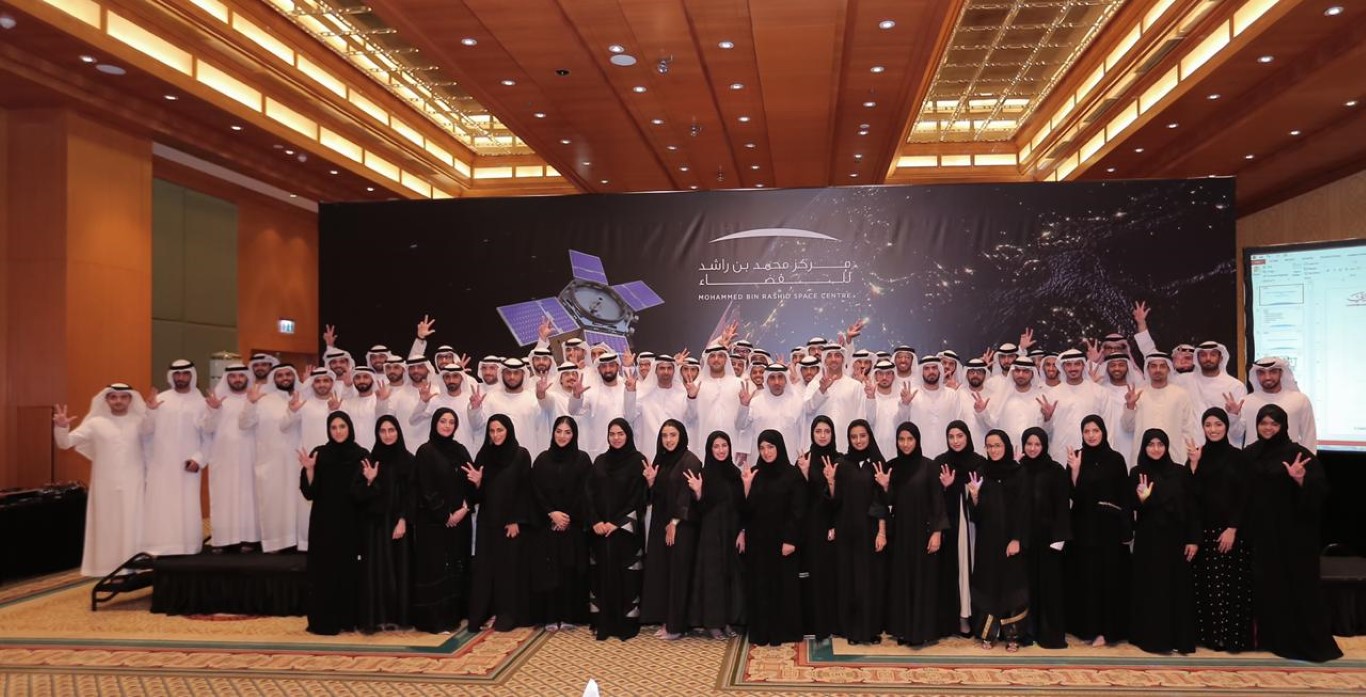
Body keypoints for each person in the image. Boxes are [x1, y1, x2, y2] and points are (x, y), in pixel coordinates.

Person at [1243, 404, 1341, 662]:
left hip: (1294, 535)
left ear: (1283, 426)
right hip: (1263, 535)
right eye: (1263, 423)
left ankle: (1301, 640)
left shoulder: (1298, 453)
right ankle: (1273, 638)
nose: (1268, 428)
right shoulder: (1250, 453)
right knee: (1269, 585)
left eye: (1274, 424)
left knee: (1296, 584)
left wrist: (1300, 480)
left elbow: (1321, 491)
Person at [52, 383, 148, 577]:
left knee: (133, 524)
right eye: (113, 397)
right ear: (107, 400)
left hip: (135, 483)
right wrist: (61, 427)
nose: (118, 401)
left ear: (130, 399)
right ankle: (107, 568)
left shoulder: (141, 422)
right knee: (107, 525)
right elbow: (65, 443)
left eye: (123, 397)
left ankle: (135, 566)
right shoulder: (95, 423)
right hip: (105, 485)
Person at [297, 411, 370, 635]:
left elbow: (365, 495)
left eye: (342, 426)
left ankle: (349, 619)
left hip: (351, 522)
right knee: (324, 572)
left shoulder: (361, 455)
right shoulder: (319, 454)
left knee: (349, 571)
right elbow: (309, 493)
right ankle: (325, 621)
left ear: (350, 428)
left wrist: (370, 481)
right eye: (334, 427)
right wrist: (310, 469)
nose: (338, 431)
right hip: (324, 523)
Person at [1187, 407, 1253, 653]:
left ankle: (1230, 637)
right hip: (1204, 533)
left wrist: (1232, 528)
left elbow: (1244, 496)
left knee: (1231, 588)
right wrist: (1193, 466)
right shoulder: (1197, 455)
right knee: (1208, 588)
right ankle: (1211, 637)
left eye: (1218, 424)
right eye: (1208, 425)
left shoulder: (1239, 457)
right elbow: (1191, 497)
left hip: (1232, 533)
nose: (1213, 429)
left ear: (1226, 427)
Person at [1128, 428, 1199, 654]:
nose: (1156, 449)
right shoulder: (1137, 472)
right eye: (1151, 444)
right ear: (1144, 447)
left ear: (1167, 447)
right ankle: (1151, 639)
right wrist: (1142, 500)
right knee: (1150, 588)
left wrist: (1193, 539)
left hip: (1175, 540)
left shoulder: (1179, 472)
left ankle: (1177, 639)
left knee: (1175, 588)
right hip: (1148, 540)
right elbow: (1131, 507)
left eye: (1160, 444)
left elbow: (1191, 506)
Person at [1064, 415, 1132, 647]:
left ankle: (1106, 631)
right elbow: (1072, 495)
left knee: (1107, 580)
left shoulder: (1116, 459)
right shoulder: (1076, 457)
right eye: (1087, 431)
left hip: (1109, 531)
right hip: (1083, 529)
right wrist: (1074, 472)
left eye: (1095, 430)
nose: (1091, 435)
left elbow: (1124, 496)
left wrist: (1126, 531)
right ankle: (1087, 628)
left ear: (1103, 432)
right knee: (1086, 579)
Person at [410, 407, 474, 633]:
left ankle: (455, 616)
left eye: (451, 422)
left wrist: (465, 508)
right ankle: (436, 621)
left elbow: (471, 481)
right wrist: (445, 515)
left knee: (456, 566)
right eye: (443, 421)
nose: (447, 425)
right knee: (436, 569)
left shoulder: (460, 450)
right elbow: (426, 488)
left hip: (460, 520)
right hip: (433, 523)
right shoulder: (425, 451)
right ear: (435, 423)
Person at [468, 414, 534, 631]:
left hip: (510, 523)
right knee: (486, 569)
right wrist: (477, 484)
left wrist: (516, 520)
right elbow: (476, 496)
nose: (495, 435)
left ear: (509, 431)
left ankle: (508, 615)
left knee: (509, 570)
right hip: (488, 521)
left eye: (500, 430)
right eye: (492, 431)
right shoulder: (484, 455)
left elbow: (525, 490)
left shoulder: (521, 455)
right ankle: (484, 613)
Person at [885, 422, 948, 647]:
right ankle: (902, 630)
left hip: (923, 533)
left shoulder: (929, 466)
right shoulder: (892, 467)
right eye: (901, 439)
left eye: (909, 439)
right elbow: (888, 502)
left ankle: (922, 631)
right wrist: (885, 486)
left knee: (923, 581)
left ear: (917, 440)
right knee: (901, 580)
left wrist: (937, 532)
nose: (905, 444)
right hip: (900, 534)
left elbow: (937, 501)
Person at [740, 430, 806, 646]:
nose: (766, 452)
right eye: (762, 448)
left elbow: (798, 510)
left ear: (779, 447)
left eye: (770, 447)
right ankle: (762, 631)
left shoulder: (792, 474)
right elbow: (746, 510)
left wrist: (790, 540)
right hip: (758, 542)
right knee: (760, 586)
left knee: (782, 586)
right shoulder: (755, 473)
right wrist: (746, 487)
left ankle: (782, 631)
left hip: (782, 541)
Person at [966, 430, 1030, 652]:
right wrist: (974, 496)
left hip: (1011, 540)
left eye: (997, 445)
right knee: (988, 584)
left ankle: (1013, 636)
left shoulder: (1019, 472)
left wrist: (1017, 538)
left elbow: (1024, 508)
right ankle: (988, 634)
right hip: (987, 540)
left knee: (1012, 586)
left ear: (1006, 446)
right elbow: (975, 514)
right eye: (989, 446)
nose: (993, 450)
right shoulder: (981, 472)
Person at [585, 418, 648, 641]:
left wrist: (618, 523)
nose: (616, 438)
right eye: (612, 434)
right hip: (601, 532)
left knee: (627, 578)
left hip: (625, 533)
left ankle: (626, 624)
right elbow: (589, 494)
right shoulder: (600, 461)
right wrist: (595, 521)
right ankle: (603, 622)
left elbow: (640, 496)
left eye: (620, 433)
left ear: (628, 435)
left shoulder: (638, 461)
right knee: (601, 575)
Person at [641, 419, 703, 639]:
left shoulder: (690, 460)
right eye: (665, 436)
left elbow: (687, 496)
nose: (668, 440)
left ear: (681, 436)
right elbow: (653, 497)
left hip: (681, 527)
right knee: (663, 573)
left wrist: (675, 522)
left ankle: (677, 626)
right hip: (661, 523)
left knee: (678, 574)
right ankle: (667, 621)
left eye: (673, 435)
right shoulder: (661, 459)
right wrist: (650, 482)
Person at [531, 415, 592, 631]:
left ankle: (569, 615)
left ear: (574, 435)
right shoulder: (542, 460)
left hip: (572, 527)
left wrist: (567, 517)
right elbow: (535, 491)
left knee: (569, 570)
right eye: (558, 431)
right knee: (549, 572)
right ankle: (549, 616)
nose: (562, 436)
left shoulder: (582, 459)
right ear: (553, 433)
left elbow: (586, 492)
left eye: (567, 432)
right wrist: (551, 513)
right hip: (547, 526)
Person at [831, 419, 890, 644]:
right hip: (846, 531)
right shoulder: (841, 464)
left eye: (862, 436)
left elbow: (882, 501)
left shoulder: (877, 463)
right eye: (854, 436)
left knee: (870, 581)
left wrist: (881, 532)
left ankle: (870, 630)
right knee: (850, 581)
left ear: (869, 437)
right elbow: (835, 501)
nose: (858, 440)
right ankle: (852, 631)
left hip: (870, 531)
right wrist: (831, 482)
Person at [142, 360, 207, 556]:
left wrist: (199, 459)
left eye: (185, 374)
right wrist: (151, 411)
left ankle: (188, 546)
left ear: (192, 376)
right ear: (171, 376)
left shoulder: (202, 403)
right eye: (177, 374)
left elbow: (209, 437)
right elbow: (145, 432)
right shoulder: (160, 400)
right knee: (161, 504)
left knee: (187, 504)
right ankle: (159, 546)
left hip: (188, 464)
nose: (181, 378)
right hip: (161, 463)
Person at [357, 415, 414, 632]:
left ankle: (399, 617)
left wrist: (403, 520)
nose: (388, 435)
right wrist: (370, 481)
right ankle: (378, 617)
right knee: (377, 571)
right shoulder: (370, 461)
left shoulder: (408, 460)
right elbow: (358, 496)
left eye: (391, 430)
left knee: (400, 570)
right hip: (375, 527)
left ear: (398, 432)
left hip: (399, 525)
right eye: (383, 431)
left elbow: (412, 494)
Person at [241, 364, 305, 552]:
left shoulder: (304, 398)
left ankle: (299, 542)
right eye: (280, 375)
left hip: (298, 461)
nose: (285, 378)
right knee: (274, 504)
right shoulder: (263, 400)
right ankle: (276, 543)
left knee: (299, 503)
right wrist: (251, 404)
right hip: (271, 463)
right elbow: (244, 424)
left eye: (288, 374)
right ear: (273, 379)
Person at [687, 431, 746, 639]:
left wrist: (742, 532)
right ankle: (713, 623)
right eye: (716, 446)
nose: (721, 450)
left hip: (732, 531)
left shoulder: (735, 473)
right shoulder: (704, 474)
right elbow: (700, 510)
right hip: (711, 532)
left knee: (730, 577)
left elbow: (742, 506)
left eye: (724, 446)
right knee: (713, 577)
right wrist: (698, 492)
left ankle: (727, 620)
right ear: (710, 450)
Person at [1019, 427, 1071, 649]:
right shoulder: (1018, 469)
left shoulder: (1055, 470)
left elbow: (1062, 505)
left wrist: (1059, 538)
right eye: (1029, 444)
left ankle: (1049, 633)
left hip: (1050, 540)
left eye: (1037, 444)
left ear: (1044, 445)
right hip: (1025, 539)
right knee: (1026, 586)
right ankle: (1026, 631)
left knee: (1049, 587)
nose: (1032, 448)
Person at [934, 420, 985, 638]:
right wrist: (945, 488)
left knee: (969, 569)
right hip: (947, 527)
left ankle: (968, 618)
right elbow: (934, 497)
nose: (955, 441)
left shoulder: (979, 462)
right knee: (948, 572)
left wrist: (974, 495)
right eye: (951, 436)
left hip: (971, 526)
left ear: (967, 437)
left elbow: (986, 497)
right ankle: (949, 619)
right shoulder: (941, 462)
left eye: (960, 436)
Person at [201, 364, 260, 552]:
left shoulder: (255, 398)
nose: (237, 379)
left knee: (248, 496)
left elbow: (248, 424)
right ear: (227, 379)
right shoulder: (217, 399)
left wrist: (251, 403)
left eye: (241, 376)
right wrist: (214, 410)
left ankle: (249, 539)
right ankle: (223, 540)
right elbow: (207, 428)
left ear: (246, 378)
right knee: (223, 498)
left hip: (249, 455)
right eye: (233, 376)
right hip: (222, 457)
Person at [800, 416, 841, 640]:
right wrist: (805, 474)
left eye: (827, 431)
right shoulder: (805, 460)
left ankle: (834, 624)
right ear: (812, 434)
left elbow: (843, 498)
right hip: (812, 526)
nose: (823, 435)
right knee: (814, 574)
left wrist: (832, 481)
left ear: (832, 434)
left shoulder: (840, 459)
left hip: (836, 524)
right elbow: (800, 498)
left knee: (833, 575)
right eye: (818, 431)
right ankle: (816, 625)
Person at [1122, 353, 1200, 465]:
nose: (1158, 370)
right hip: (1143, 458)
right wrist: (1130, 405)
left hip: (1174, 457)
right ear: (1147, 369)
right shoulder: (1138, 394)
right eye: (1153, 366)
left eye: (1162, 366)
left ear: (1168, 369)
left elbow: (1188, 429)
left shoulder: (1181, 394)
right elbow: (1127, 428)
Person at [1237, 357, 1317, 453]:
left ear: (1281, 373)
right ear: (1256, 375)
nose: (1267, 377)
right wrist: (1233, 416)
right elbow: (1237, 434)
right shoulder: (1246, 401)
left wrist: (1308, 460)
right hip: (1254, 459)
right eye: (1261, 373)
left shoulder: (1300, 400)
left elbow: (1309, 435)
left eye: (1273, 372)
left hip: (1289, 459)